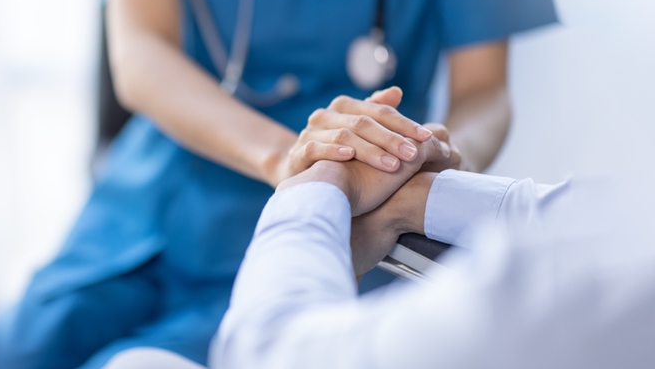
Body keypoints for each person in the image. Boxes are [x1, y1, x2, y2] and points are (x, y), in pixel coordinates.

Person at [0, 0, 557, 367]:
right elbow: (140, 55)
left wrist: (433, 163)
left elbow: (483, 93)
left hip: (347, 219)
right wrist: (290, 159)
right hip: (163, 191)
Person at [202, 133, 655, 369]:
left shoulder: (570, 301)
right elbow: (598, 213)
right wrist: (418, 196)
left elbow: (268, 355)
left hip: (285, 269)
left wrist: (316, 185)